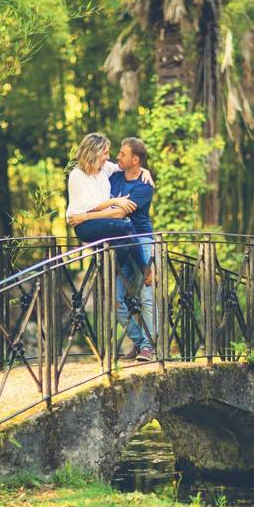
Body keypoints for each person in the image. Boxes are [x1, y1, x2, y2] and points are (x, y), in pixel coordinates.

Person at [65, 133, 150, 280]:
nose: (108, 156)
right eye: (105, 153)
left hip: (102, 222)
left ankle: (107, 277)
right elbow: (90, 205)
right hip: (84, 225)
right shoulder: (77, 175)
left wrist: (144, 170)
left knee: (124, 240)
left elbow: (128, 165)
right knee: (126, 228)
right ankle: (146, 271)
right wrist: (114, 201)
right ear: (94, 153)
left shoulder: (104, 169)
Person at [109, 137, 157, 362]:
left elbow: (120, 213)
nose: (118, 156)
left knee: (146, 296)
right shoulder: (114, 177)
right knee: (116, 300)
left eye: (123, 153)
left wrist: (113, 205)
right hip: (122, 244)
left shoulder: (144, 185)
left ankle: (150, 347)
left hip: (142, 241)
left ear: (135, 159)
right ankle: (139, 343)